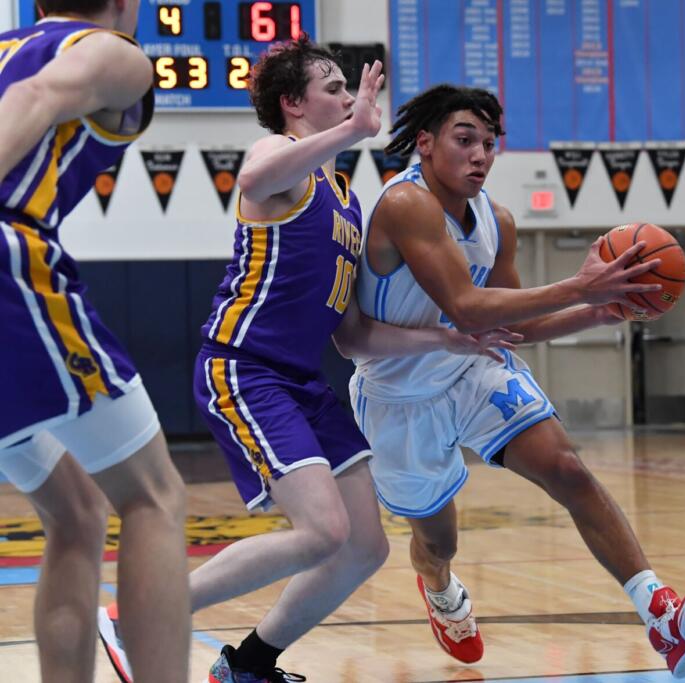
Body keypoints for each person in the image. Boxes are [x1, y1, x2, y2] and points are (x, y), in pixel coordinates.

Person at [97, 38, 519, 683]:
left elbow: (352, 337)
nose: (350, 98)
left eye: (351, 90)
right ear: (293, 104)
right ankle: (136, 620)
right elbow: (253, 179)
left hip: (304, 381)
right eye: (333, 88)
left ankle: (250, 665)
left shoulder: (345, 197)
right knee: (321, 532)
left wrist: (448, 338)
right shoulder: (276, 159)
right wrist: (356, 129)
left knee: (365, 546)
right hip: (245, 366)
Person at [350, 84, 685, 679]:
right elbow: (469, 308)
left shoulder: (496, 219)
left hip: (471, 370)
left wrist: (595, 313)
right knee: (438, 543)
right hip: (399, 394)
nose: (480, 155)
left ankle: (662, 616)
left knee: (569, 469)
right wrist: (581, 287)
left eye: (490, 144)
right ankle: (440, 590)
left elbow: (511, 326)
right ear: (424, 143)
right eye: (464, 139)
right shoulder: (406, 206)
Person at [0, 1, 192, 681]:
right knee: (154, 496)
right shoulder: (114, 51)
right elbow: (37, 93)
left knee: (76, 510)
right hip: (10, 263)